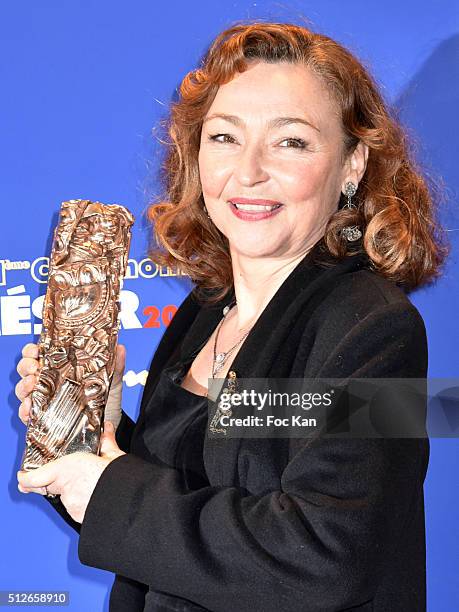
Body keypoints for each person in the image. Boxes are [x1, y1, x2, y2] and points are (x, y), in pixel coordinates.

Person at [15, 21, 448, 612]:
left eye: (290, 141)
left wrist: (111, 493)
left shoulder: (378, 329)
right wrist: (96, 441)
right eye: (224, 137)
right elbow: (192, 519)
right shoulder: (204, 310)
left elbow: (327, 555)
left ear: (351, 166)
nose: (248, 172)